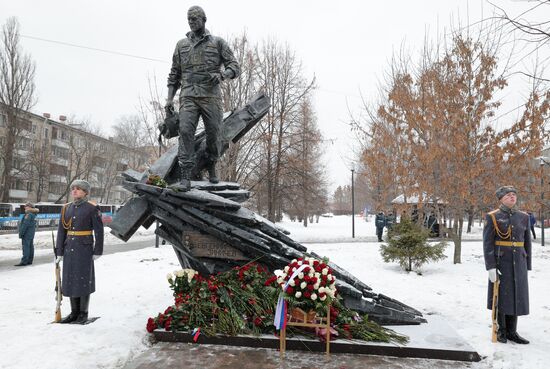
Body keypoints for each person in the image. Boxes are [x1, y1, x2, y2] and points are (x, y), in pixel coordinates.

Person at [165, 5, 240, 191]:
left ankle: (211, 163)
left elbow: (235, 66)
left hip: (211, 97)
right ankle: (185, 175)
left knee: (214, 134)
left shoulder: (218, 43)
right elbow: (174, 74)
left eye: (195, 19)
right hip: (188, 96)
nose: (191, 22)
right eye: (189, 19)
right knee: (185, 132)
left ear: (204, 20)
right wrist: (169, 99)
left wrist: (223, 75)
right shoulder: (181, 45)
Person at [483, 186, 531, 344]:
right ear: (501, 199)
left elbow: (526, 242)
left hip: (519, 263)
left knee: (516, 295)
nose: (512, 197)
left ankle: (512, 331)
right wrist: (490, 266)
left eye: (514, 195)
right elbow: (488, 244)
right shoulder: (493, 217)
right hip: (501, 262)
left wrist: (527, 264)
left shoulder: (524, 217)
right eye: (509, 195)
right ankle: (501, 330)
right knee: (502, 296)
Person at [55, 180, 104, 324]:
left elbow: (99, 231)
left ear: (85, 192)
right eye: (73, 189)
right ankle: (74, 312)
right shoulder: (66, 208)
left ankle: (83, 313)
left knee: (83, 281)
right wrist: (59, 252)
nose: (74, 191)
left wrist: (98, 250)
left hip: (84, 249)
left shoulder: (92, 208)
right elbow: (61, 231)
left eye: (78, 189)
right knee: (70, 280)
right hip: (69, 248)